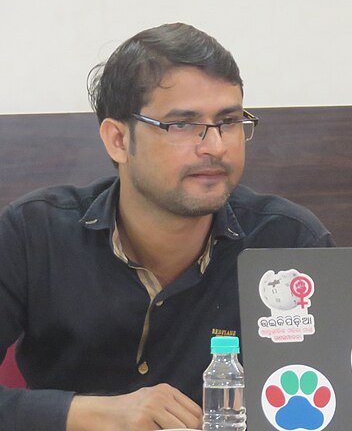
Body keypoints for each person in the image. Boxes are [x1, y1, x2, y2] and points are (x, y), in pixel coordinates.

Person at [0, 23, 334, 430]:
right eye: (182, 125)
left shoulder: (289, 244)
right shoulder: (34, 234)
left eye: (228, 121)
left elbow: (340, 401)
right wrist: (88, 413)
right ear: (118, 140)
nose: (214, 146)